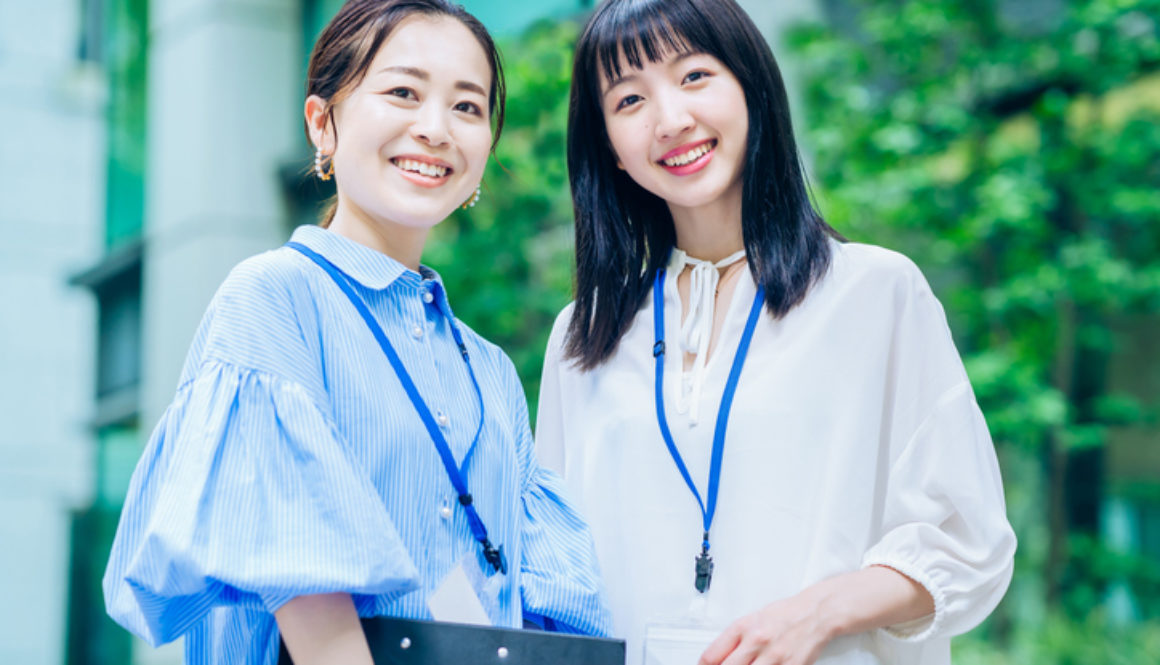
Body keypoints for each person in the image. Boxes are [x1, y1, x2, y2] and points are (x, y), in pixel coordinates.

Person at [103, 1, 609, 663]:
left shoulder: (489, 368)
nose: (435, 128)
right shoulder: (273, 300)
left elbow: (544, 606)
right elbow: (306, 595)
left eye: (467, 106)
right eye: (403, 92)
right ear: (323, 124)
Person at [535, 1, 1016, 664]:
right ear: (610, 151)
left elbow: (969, 543)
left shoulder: (875, 293)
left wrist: (814, 613)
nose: (671, 119)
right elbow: (556, 571)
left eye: (695, 76)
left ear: (752, 87)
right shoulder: (582, 334)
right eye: (629, 101)